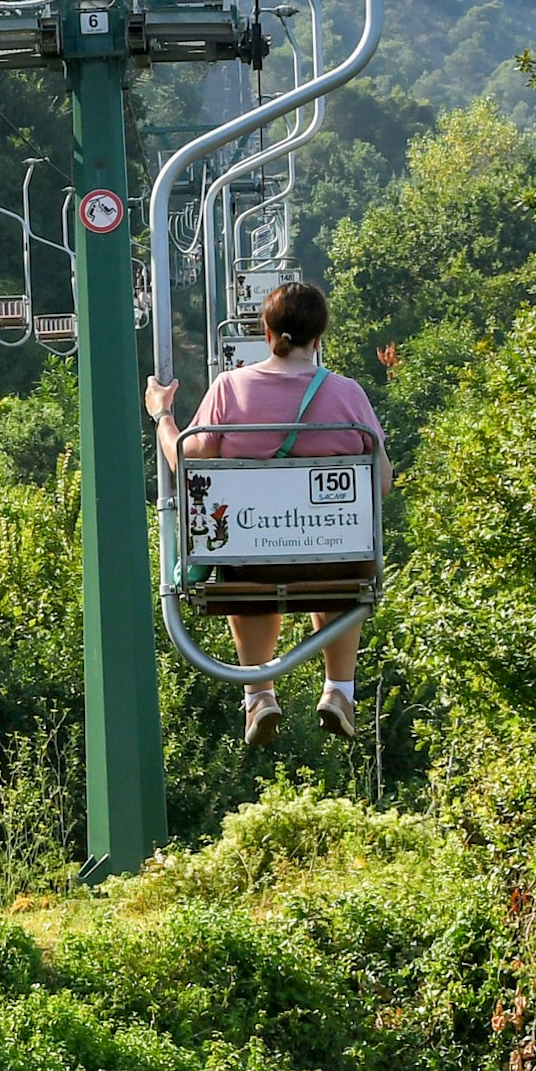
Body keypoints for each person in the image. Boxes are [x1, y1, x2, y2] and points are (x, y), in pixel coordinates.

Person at [145, 277, 384, 747]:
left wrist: (163, 416)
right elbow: (383, 479)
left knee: (246, 560)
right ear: (319, 339)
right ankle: (339, 689)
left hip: (247, 564)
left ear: (268, 334)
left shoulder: (230, 389)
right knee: (336, 551)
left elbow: (190, 462)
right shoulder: (348, 395)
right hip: (339, 562)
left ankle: (259, 693)